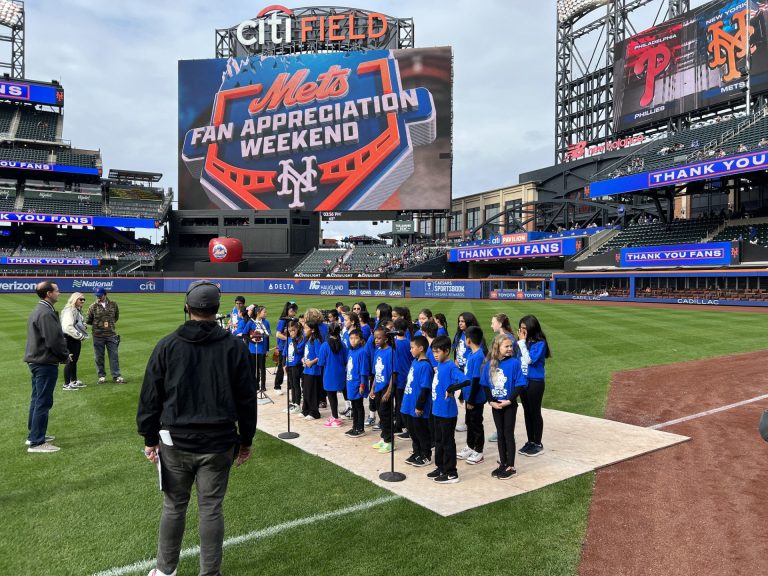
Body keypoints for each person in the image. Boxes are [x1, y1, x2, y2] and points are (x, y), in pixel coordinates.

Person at [137, 280, 256, 576]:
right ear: (217, 310)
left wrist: (150, 439)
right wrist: (246, 440)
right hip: (216, 443)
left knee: (175, 506)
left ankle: (165, 570)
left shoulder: (168, 345)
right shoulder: (234, 346)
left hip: (177, 442)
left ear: (187, 308)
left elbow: (150, 398)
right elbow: (247, 400)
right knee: (210, 509)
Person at [24, 281, 70, 453]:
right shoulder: (45, 312)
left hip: (37, 361)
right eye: (57, 290)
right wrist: (65, 356)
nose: (59, 292)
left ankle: (34, 435)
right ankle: (37, 442)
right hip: (44, 362)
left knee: (37, 399)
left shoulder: (40, 309)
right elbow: (53, 341)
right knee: (43, 401)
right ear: (49, 293)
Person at [481, 334, 527, 479]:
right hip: (496, 405)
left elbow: (520, 384)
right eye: (506, 346)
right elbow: (485, 385)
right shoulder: (490, 364)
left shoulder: (514, 363)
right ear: (497, 348)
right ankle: (503, 463)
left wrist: (510, 400)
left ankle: (511, 466)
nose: (509, 348)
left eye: (510, 346)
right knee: (500, 434)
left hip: (509, 405)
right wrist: (491, 401)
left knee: (508, 434)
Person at [427, 336, 470, 484]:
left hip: (447, 412)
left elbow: (465, 380)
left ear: (446, 351)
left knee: (447, 442)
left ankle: (452, 473)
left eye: (438, 352)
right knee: (438, 441)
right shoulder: (440, 365)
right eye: (433, 352)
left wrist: (452, 388)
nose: (435, 355)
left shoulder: (450, 366)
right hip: (437, 411)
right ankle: (441, 467)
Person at [517, 315, 551, 458]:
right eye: (520, 328)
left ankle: (538, 443)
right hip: (524, 381)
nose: (522, 331)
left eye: (524, 328)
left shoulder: (539, 343)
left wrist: (522, 342)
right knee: (527, 412)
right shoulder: (524, 342)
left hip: (535, 382)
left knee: (535, 412)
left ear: (532, 328)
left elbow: (530, 360)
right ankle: (530, 441)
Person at [400, 335, 433, 467]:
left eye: (412, 348)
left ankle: (426, 455)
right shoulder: (415, 362)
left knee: (421, 431)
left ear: (421, 348)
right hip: (408, 404)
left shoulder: (425, 366)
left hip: (417, 406)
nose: (410, 350)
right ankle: (417, 451)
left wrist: (419, 406)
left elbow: (425, 388)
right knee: (412, 431)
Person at [456, 326, 486, 465]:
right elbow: (467, 377)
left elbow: (476, 379)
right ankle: (470, 445)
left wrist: (472, 399)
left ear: (468, 340)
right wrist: (463, 393)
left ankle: (478, 451)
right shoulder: (471, 354)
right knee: (469, 421)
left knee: (476, 423)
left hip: (476, 398)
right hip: (469, 395)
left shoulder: (478, 356)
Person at [86, 287, 125, 384]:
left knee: (114, 356)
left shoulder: (113, 305)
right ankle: (101, 376)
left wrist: (109, 325)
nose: (98, 297)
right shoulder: (93, 306)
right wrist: (99, 325)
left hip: (111, 334)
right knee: (99, 357)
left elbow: (116, 317)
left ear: (105, 294)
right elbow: (88, 320)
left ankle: (116, 376)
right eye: (97, 295)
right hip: (97, 335)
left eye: (100, 295)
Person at [370, 327, 395, 454]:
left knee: (386, 414)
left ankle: (390, 441)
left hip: (386, 388)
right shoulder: (377, 352)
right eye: (375, 338)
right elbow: (375, 373)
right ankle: (384, 437)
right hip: (378, 387)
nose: (376, 340)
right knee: (380, 413)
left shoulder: (391, 352)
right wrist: (372, 388)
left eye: (379, 338)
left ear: (386, 338)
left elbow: (393, 374)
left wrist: (389, 391)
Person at [318, 323, 346, 428]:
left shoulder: (325, 345)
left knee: (331, 396)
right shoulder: (342, 344)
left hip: (329, 374)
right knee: (338, 395)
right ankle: (335, 416)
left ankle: (335, 417)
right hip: (340, 373)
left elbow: (321, 362)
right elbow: (346, 359)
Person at [60, 292, 88, 391]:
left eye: (84, 299)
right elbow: (67, 327)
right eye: (81, 299)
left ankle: (74, 381)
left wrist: (83, 325)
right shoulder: (69, 310)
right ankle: (66, 384)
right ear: (75, 299)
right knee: (70, 360)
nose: (83, 301)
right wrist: (79, 336)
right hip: (69, 338)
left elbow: (79, 322)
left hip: (74, 339)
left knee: (74, 361)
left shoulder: (77, 310)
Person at [344, 329, 369, 438]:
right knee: (353, 406)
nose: (353, 341)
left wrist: (362, 385)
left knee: (358, 405)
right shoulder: (350, 351)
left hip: (358, 383)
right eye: (351, 338)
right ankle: (354, 426)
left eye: (356, 338)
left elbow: (363, 371)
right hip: (350, 383)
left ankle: (360, 428)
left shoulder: (362, 352)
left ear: (360, 340)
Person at [274, 301, 298, 394]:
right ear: (289, 310)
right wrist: (289, 339)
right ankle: (277, 386)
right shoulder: (283, 320)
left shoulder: (294, 320)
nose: (294, 313)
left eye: (295, 311)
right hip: (283, 346)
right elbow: (278, 334)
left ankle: (290, 386)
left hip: (291, 347)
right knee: (281, 366)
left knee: (291, 366)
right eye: (293, 310)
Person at [301, 322, 322, 420]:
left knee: (312, 392)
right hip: (306, 370)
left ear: (312, 330)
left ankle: (314, 412)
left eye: (306, 328)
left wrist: (311, 362)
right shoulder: (308, 340)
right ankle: (305, 410)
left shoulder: (316, 341)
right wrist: (303, 359)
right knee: (306, 391)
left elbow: (319, 356)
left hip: (313, 371)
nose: (304, 330)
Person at [284, 320, 305, 415]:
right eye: (290, 330)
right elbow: (285, 352)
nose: (291, 332)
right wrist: (284, 364)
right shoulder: (288, 339)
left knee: (296, 384)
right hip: (290, 364)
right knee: (291, 384)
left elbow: (298, 351)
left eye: (293, 330)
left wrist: (293, 339)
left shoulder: (301, 339)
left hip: (297, 365)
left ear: (298, 329)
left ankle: (297, 404)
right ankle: (293, 403)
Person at [251, 306, 271, 393]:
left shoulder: (266, 323)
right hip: (253, 349)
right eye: (264, 312)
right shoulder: (251, 323)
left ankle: (263, 386)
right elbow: (245, 334)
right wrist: (251, 339)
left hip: (262, 349)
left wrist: (267, 349)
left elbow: (268, 337)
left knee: (262, 368)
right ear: (258, 313)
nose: (266, 313)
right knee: (254, 368)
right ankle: (256, 385)